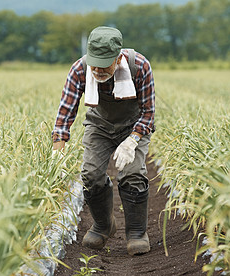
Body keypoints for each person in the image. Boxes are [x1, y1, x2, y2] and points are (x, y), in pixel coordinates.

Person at [51, 26, 155, 255]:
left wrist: (132, 141)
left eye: (103, 63)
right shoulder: (80, 69)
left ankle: (137, 232)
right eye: (94, 63)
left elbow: (148, 113)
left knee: (132, 173)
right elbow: (65, 112)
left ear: (118, 59)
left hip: (133, 126)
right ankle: (103, 224)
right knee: (90, 174)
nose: (96, 69)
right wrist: (57, 153)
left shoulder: (140, 67)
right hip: (99, 125)